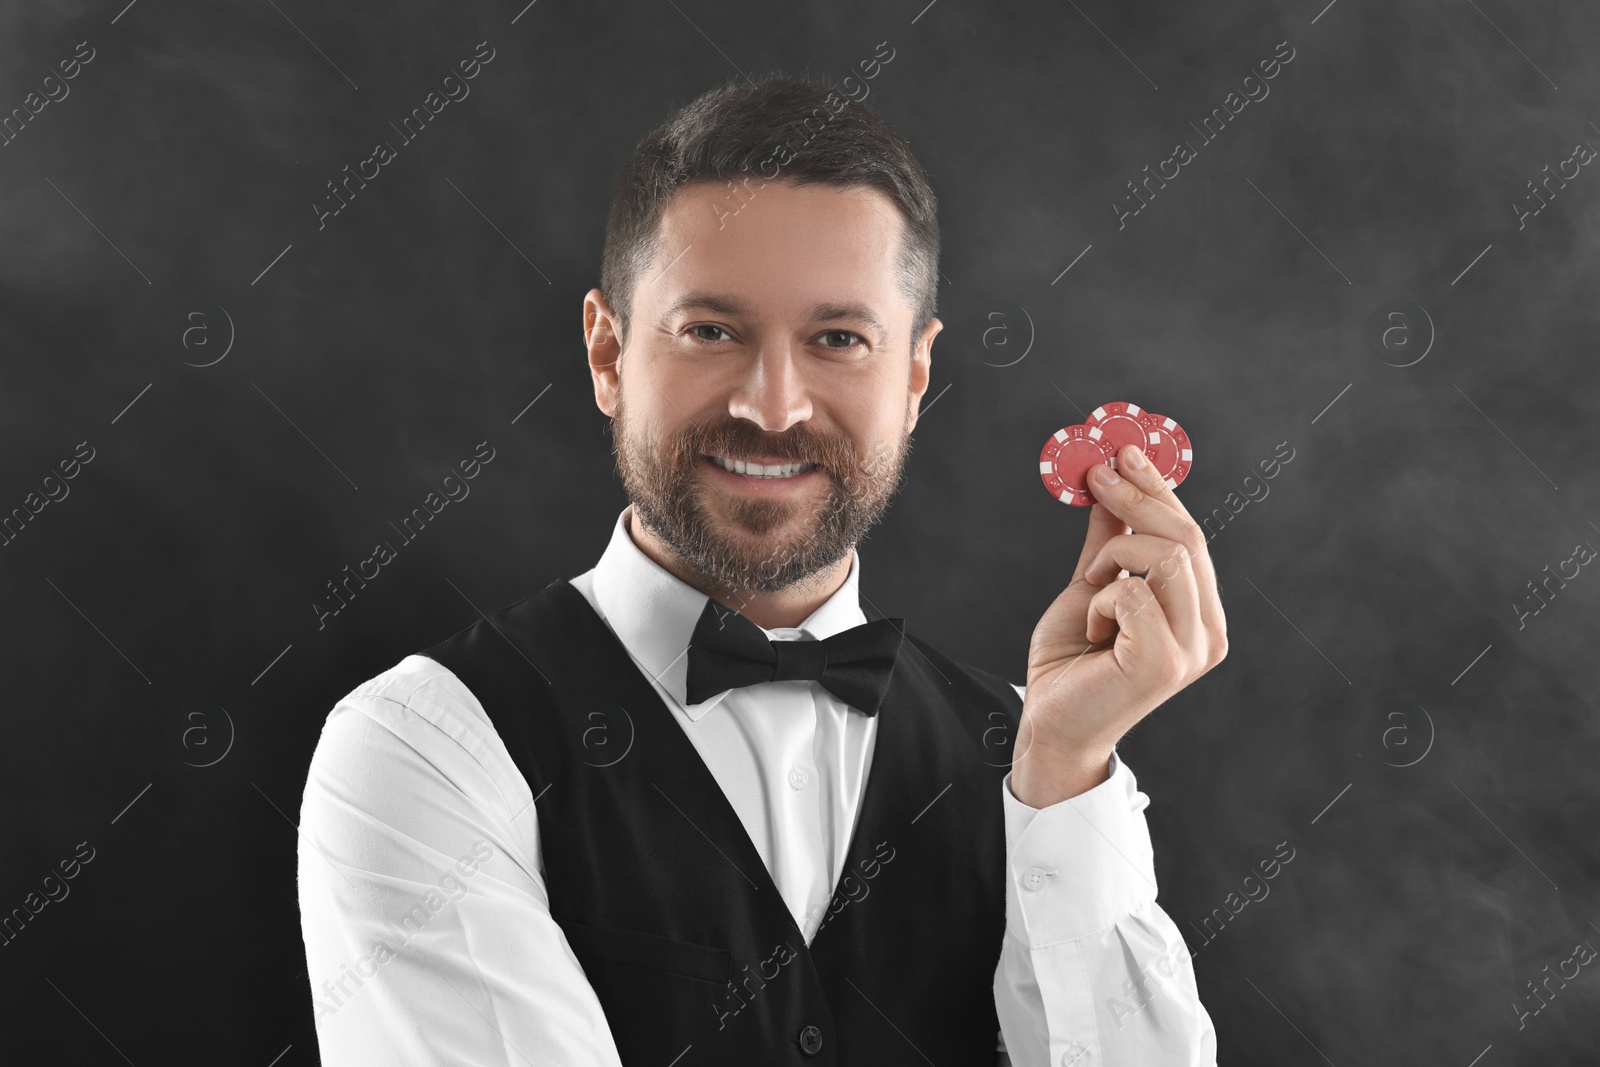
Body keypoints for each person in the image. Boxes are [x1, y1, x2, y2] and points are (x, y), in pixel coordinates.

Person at [297, 73, 1227, 1065]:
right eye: (711, 330)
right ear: (608, 353)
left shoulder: (1035, 756)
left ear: (913, 377)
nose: (774, 407)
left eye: (837, 339)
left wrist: (1065, 781)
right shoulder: (428, 741)